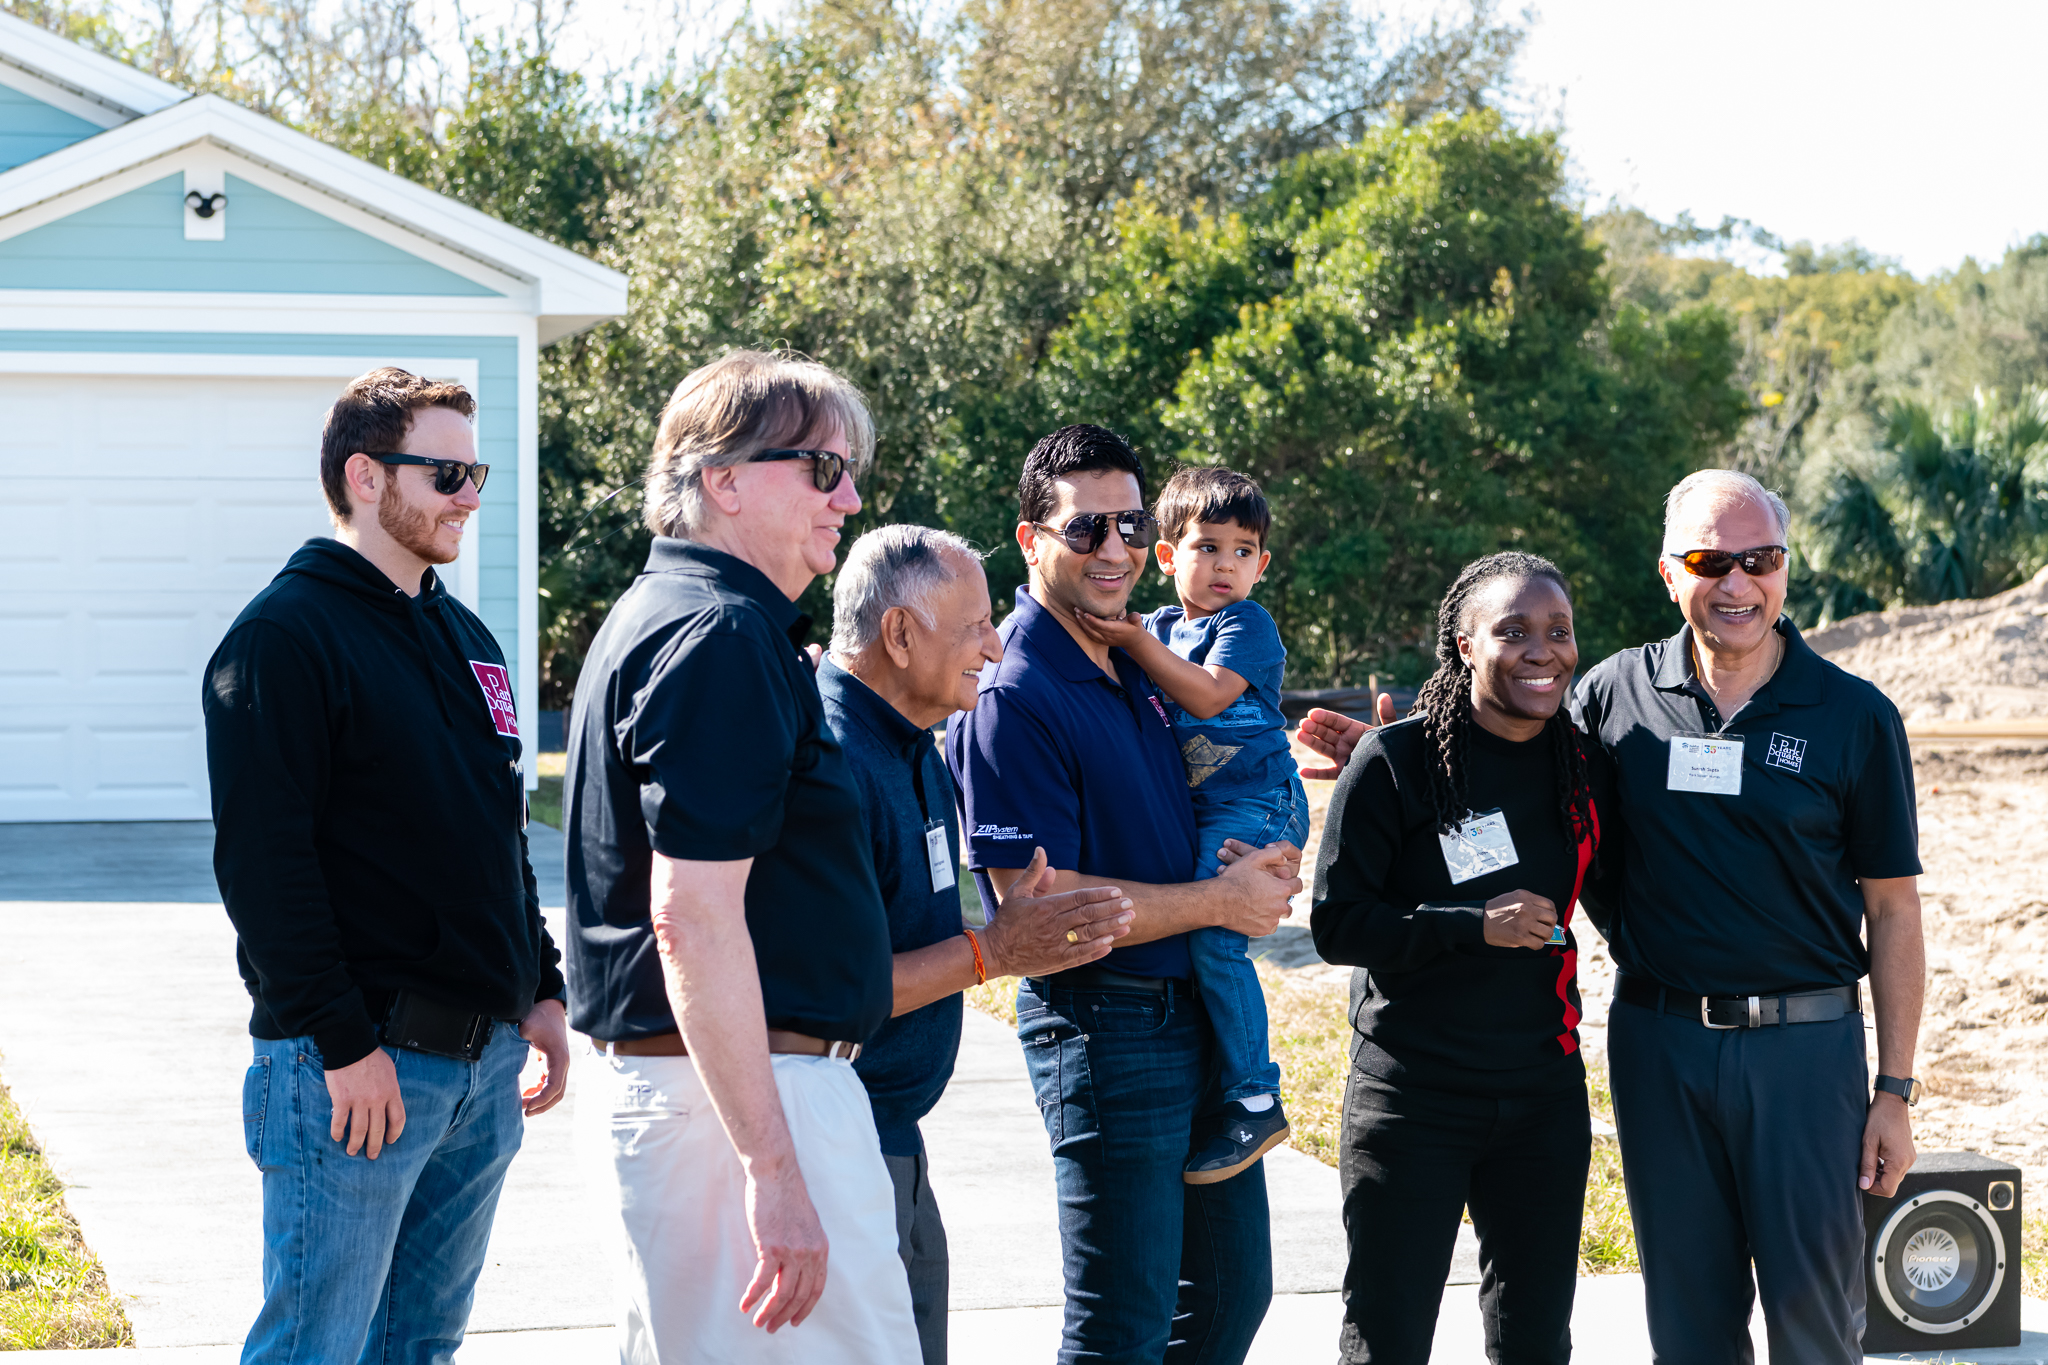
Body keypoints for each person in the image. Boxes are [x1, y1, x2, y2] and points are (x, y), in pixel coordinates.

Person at [203, 367, 571, 1365]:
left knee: (419, 1349)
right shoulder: (284, 638)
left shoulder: (467, 640)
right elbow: (263, 868)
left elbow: (495, 831)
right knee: (312, 1351)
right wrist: (339, 1046)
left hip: (481, 1072)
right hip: (360, 1073)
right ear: (366, 477)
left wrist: (537, 988)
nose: (469, 495)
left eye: (475, 471)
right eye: (445, 472)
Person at [946, 423, 1305, 1364]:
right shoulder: (1015, 691)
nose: (1115, 549)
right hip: (1105, 1026)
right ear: (1029, 539)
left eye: (1132, 526)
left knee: (1229, 1298)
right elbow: (1042, 905)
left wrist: (1260, 855)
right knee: (1122, 1328)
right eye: (1085, 529)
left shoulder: (1138, 657)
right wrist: (1219, 904)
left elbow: (1219, 770)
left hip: (1191, 1013)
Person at [1571, 469, 1925, 1364]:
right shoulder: (1616, 694)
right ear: (1668, 574)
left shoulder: (1853, 715)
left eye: (1759, 560)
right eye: (1710, 560)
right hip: (1660, 1047)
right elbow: (1533, 798)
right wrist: (1397, 753)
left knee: (1815, 1330)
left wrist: (1894, 1092)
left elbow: (1892, 908)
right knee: (1688, 1327)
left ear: (1785, 568)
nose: (1737, 583)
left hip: (1806, 1058)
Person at [820, 524, 1138, 1365]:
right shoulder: (831, 761)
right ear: (898, 633)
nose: (995, 645)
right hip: (832, 1145)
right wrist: (995, 951)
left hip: (890, 1133)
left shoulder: (912, 743)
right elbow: (825, 993)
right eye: (975, 626)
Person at [1311, 552, 1607, 1365]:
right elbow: (1338, 925)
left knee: (1535, 1339)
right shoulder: (1396, 762)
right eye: (1513, 630)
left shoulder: (1584, 768)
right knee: (1388, 1334)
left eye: (1558, 630)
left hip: (1542, 1096)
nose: (1541, 650)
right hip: (1413, 1098)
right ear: (1465, 644)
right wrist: (1468, 924)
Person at [1073, 466, 1305, 1181]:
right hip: (1203, 804)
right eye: (1207, 546)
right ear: (1168, 555)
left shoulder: (1245, 624)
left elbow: (1205, 697)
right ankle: (1221, 1071)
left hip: (1258, 801)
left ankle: (1255, 1095)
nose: (1225, 565)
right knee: (1198, 922)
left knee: (1213, 937)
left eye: (1242, 550)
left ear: (1261, 565)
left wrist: (1135, 642)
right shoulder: (1165, 627)